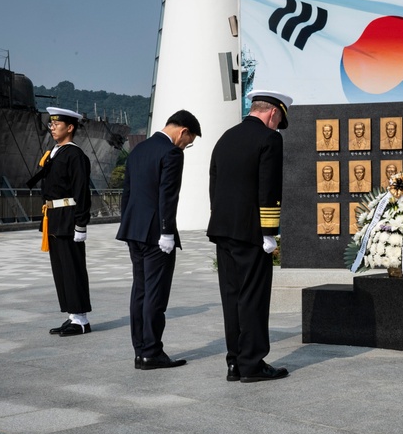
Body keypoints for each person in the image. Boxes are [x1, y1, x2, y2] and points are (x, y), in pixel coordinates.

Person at [207, 89, 294, 383]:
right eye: (278, 119)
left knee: (231, 298)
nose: (277, 125)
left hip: (223, 230)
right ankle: (252, 364)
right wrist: (270, 233)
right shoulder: (270, 139)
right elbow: (268, 188)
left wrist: (220, 220)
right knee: (253, 299)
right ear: (273, 113)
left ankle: (234, 362)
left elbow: (214, 185)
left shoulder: (226, 137)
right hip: (252, 232)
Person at [116, 110, 201, 370]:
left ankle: (140, 351)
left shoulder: (138, 150)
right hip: (156, 236)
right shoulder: (171, 153)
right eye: (190, 141)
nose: (186, 146)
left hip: (134, 230)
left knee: (139, 291)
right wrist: (166, 231)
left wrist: (128, 224)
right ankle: (152, 352)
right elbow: (168, 195)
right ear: (183, 131)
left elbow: (126, 193)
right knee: (156, 294)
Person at [28, 107, 92, 337]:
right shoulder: (56, 152)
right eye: (51, 124)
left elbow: (82, 191)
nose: (52, 127)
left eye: (57, 124)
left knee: (73, 269)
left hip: (68, 218)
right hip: (53, 218)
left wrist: (81, 224)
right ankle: (71, 315)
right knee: (61, 270)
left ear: (70, 127)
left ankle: (81, 319)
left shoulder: (74, 155)